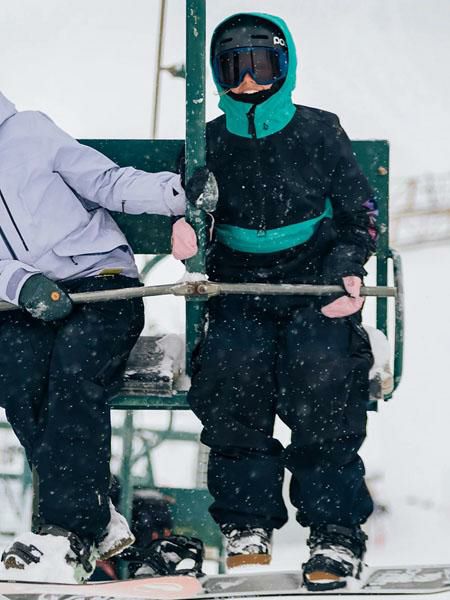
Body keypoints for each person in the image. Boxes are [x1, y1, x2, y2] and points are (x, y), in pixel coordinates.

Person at [172, 12, 379, 591]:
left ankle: (335, 529)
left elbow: (359, 212)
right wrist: (188, 232)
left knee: (325, 376)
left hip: (311, 281)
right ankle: (246, 519)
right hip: (239, 285)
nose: (247, 82)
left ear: (283, 68)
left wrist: (345, 268)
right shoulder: (208, 140)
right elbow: (187, 209)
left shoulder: (318, 131)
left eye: (260, 66)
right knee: (232, 374)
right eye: (233, 68)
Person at [0, 90, 206, 584]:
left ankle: (69, 530)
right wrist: (20, 282)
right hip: (26, 300)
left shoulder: (29, 132)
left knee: (75, 369)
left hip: (101, 283)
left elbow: (105, 181)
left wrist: (175, 194)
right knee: (17, 374)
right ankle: (94, 512)